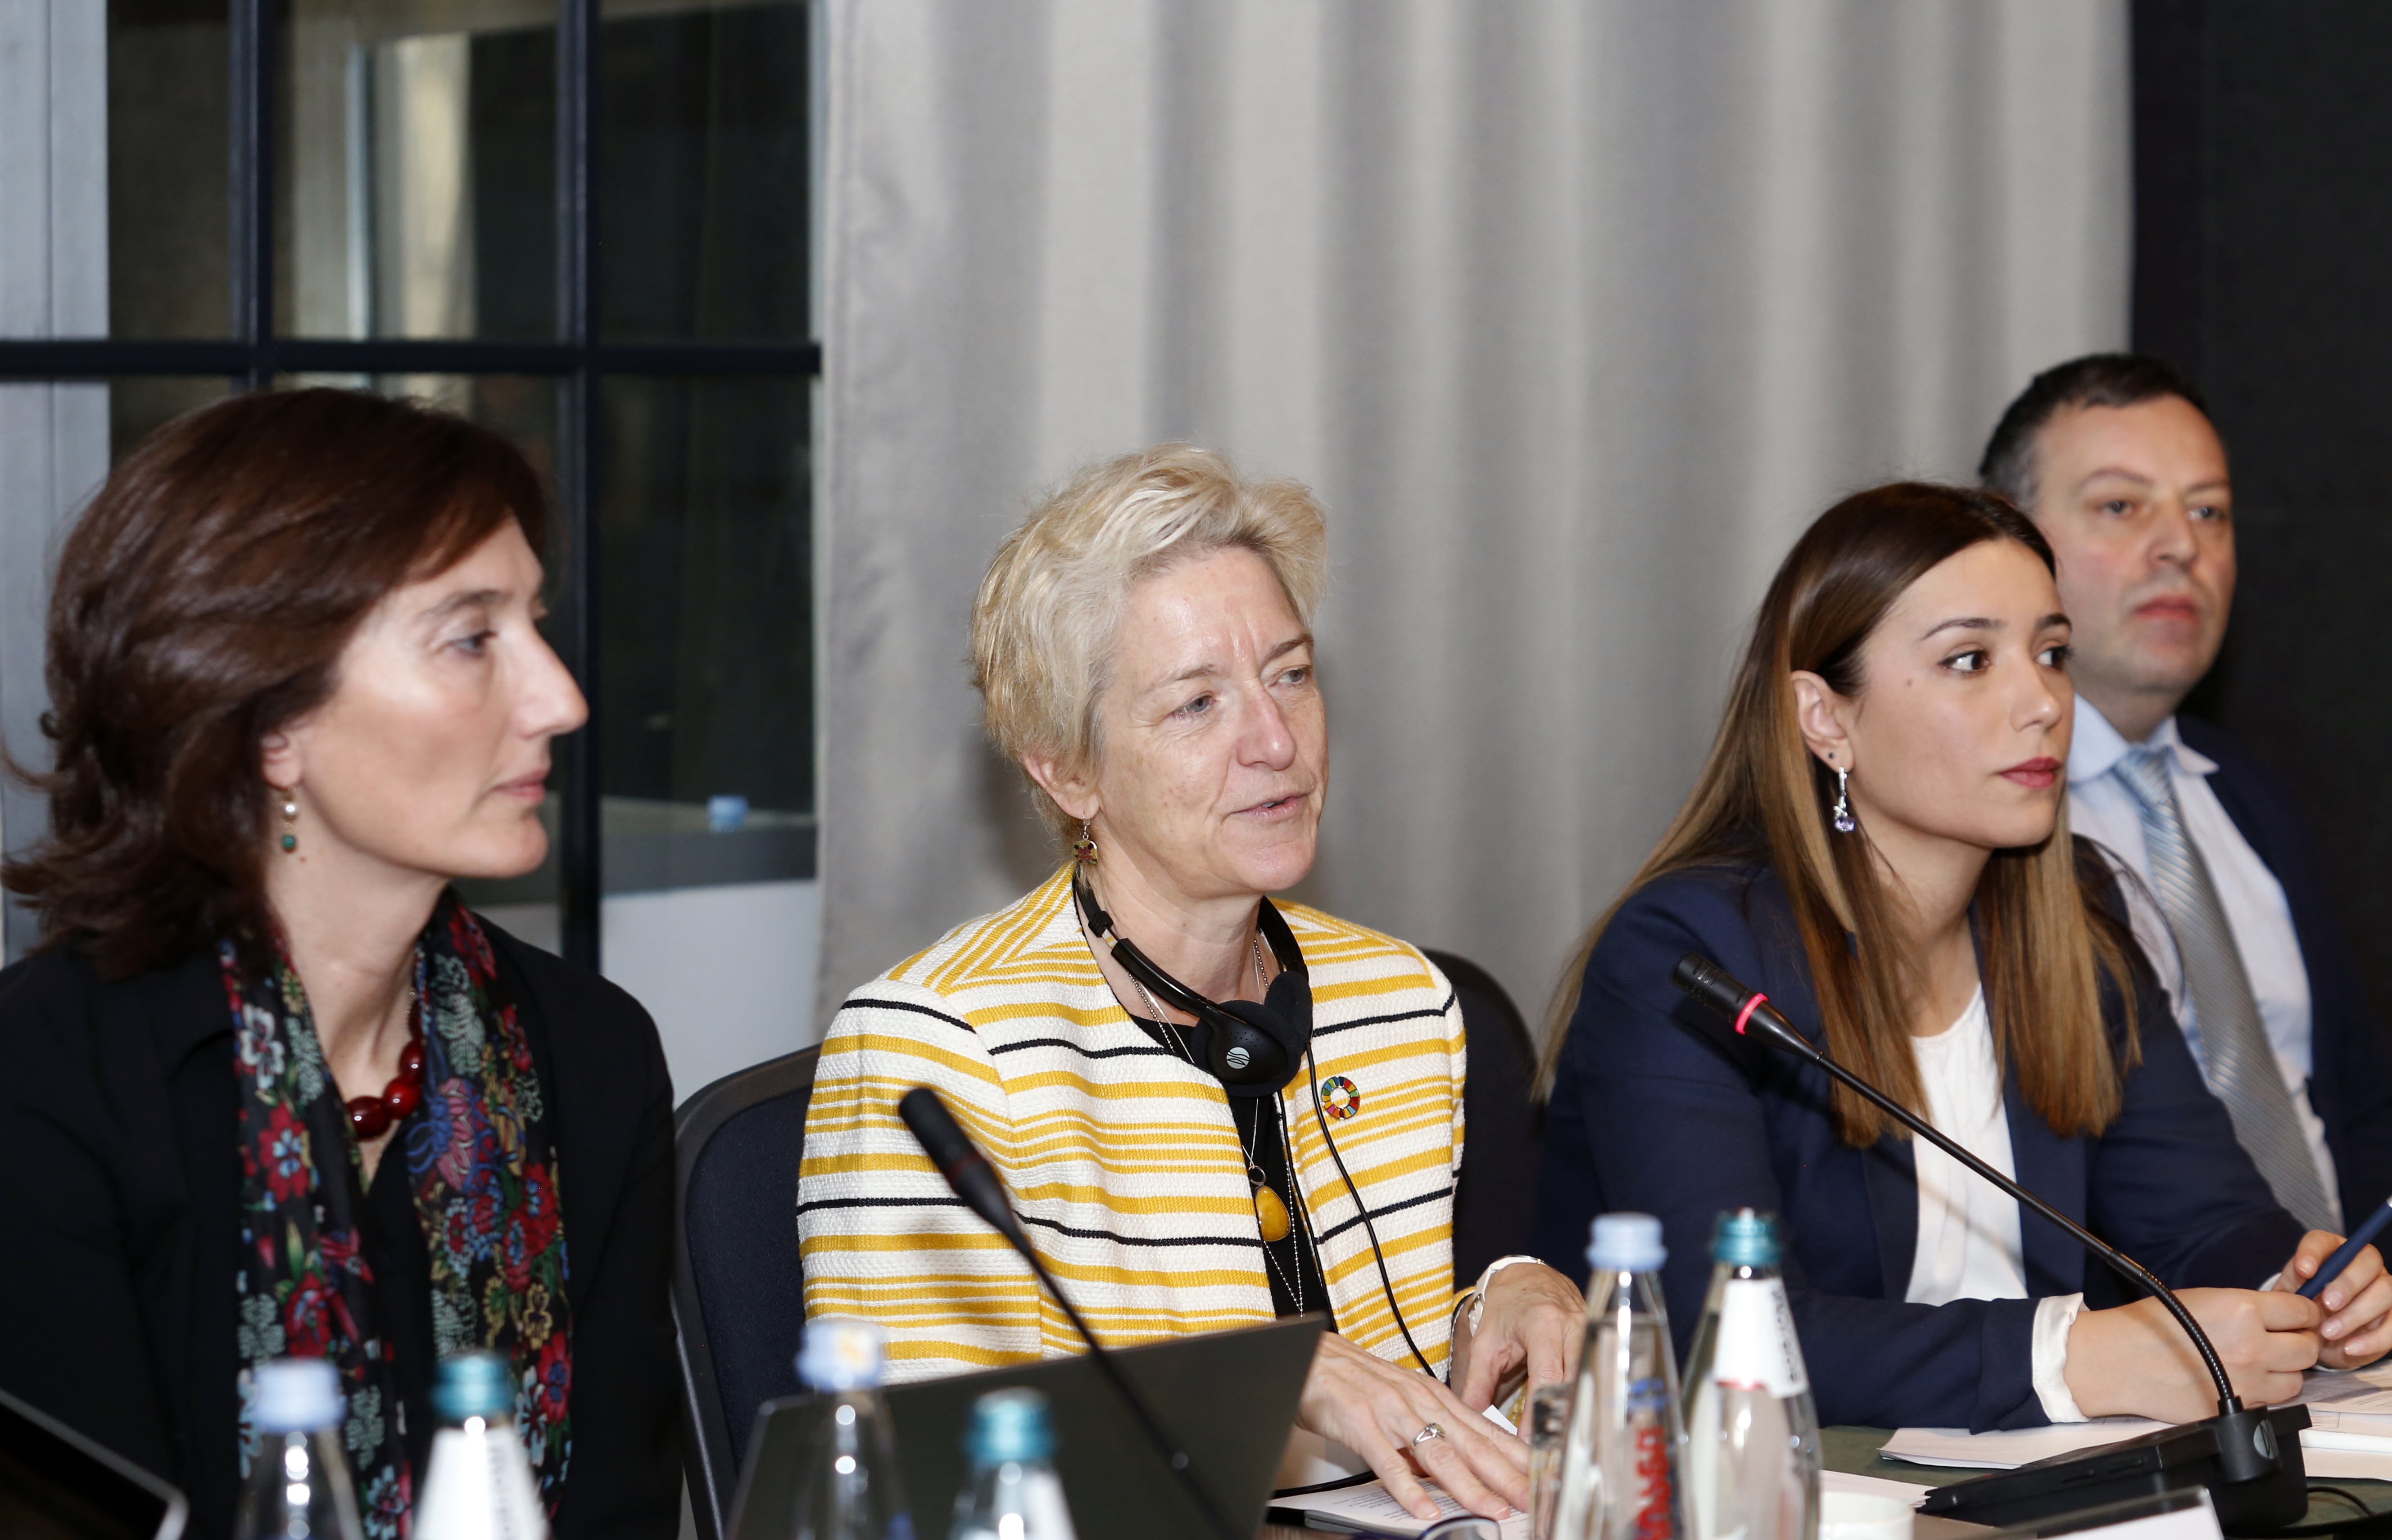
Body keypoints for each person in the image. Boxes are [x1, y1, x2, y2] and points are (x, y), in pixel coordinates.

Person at [798, 444, 1581, 1522]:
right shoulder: (936, 1047)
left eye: (1290, 674)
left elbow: (1401, 1385)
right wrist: (1259, 1385)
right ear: (1068, 770)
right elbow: (907, 1483)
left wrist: (1501, 1297)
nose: (1276, 740)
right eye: (1196, 703)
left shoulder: (1401, 1001)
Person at [1531, 482, 2392, 1432]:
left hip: (2028, 1481)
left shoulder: (2079, 917)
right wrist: (2070, 1359)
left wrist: (2299, 1286)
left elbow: (2203, 1222)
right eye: (1970, 660)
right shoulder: (1690, 957)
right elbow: (1725, 1332)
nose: (2041, 702)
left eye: (2052, 653)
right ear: (1826, 718)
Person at [0, 390, 679, 1539]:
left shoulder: (589, 1054)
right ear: (270, 721)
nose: (561, 699)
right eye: (472, 639)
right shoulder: (48, 1083)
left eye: (533, 623)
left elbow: (619, 1513)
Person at [1981, 353, 2392, 1237]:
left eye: (2208, 511)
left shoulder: (2249, 793)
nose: (2181, 546)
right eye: (2120, 506)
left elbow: (2356, 1098)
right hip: (2128, 1313)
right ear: (2006, 541)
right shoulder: (1972, 820)